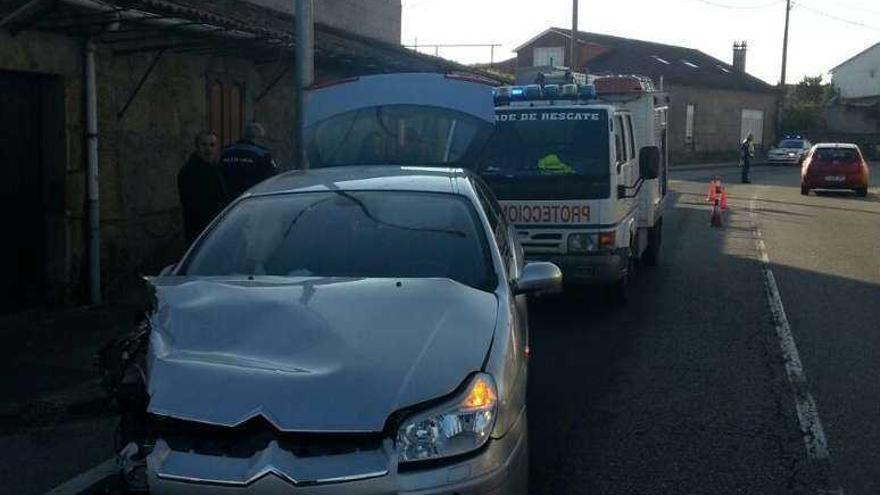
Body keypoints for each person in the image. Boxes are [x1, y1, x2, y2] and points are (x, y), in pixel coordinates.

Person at [220, 122, 278, 199]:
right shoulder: (262, 154)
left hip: (228, 199)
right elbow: (272, 177)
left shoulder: (226, 152)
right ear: (258, 137)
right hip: (251, 198)